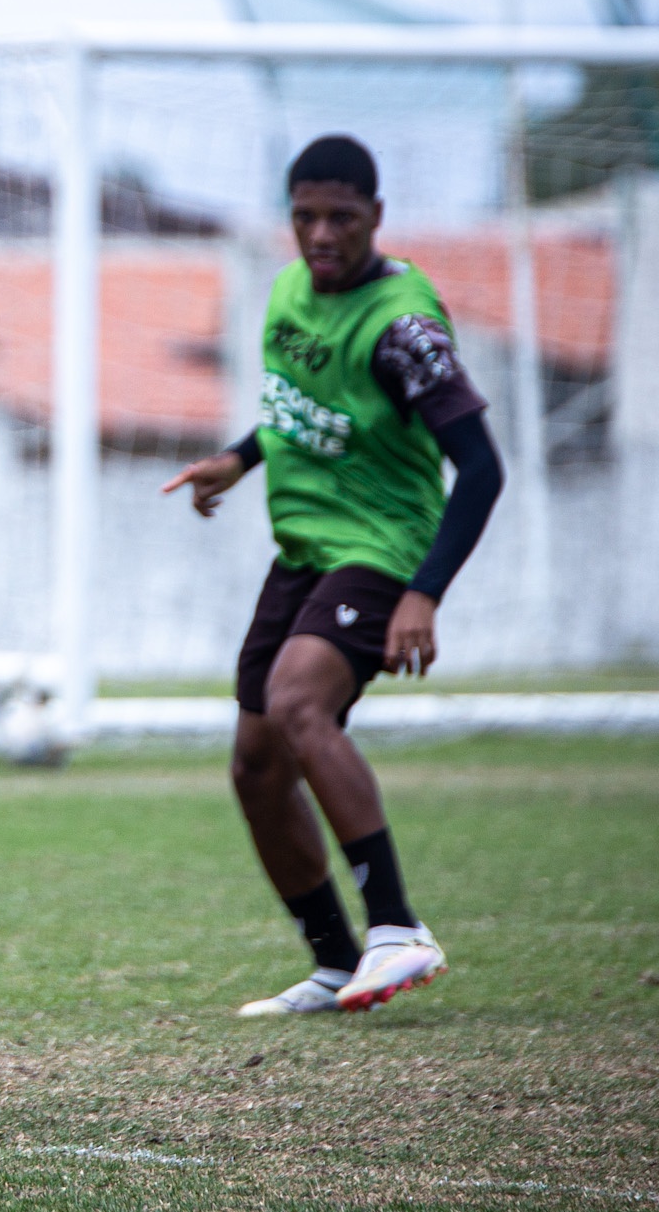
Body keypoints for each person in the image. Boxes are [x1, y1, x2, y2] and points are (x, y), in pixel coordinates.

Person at [162, 135, 502, 1017]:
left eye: (341, 218)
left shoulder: (404, 326)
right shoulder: (285, 290)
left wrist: (424, 591)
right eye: (306, 216)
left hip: (385, 548)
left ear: (376, 218)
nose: (321, 234)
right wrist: (238, 459)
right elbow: (294, 410)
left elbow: (482, 466)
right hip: (306, 549)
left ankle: (397, 928)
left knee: (298, 703)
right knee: (255, 765)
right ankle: (334, 961)